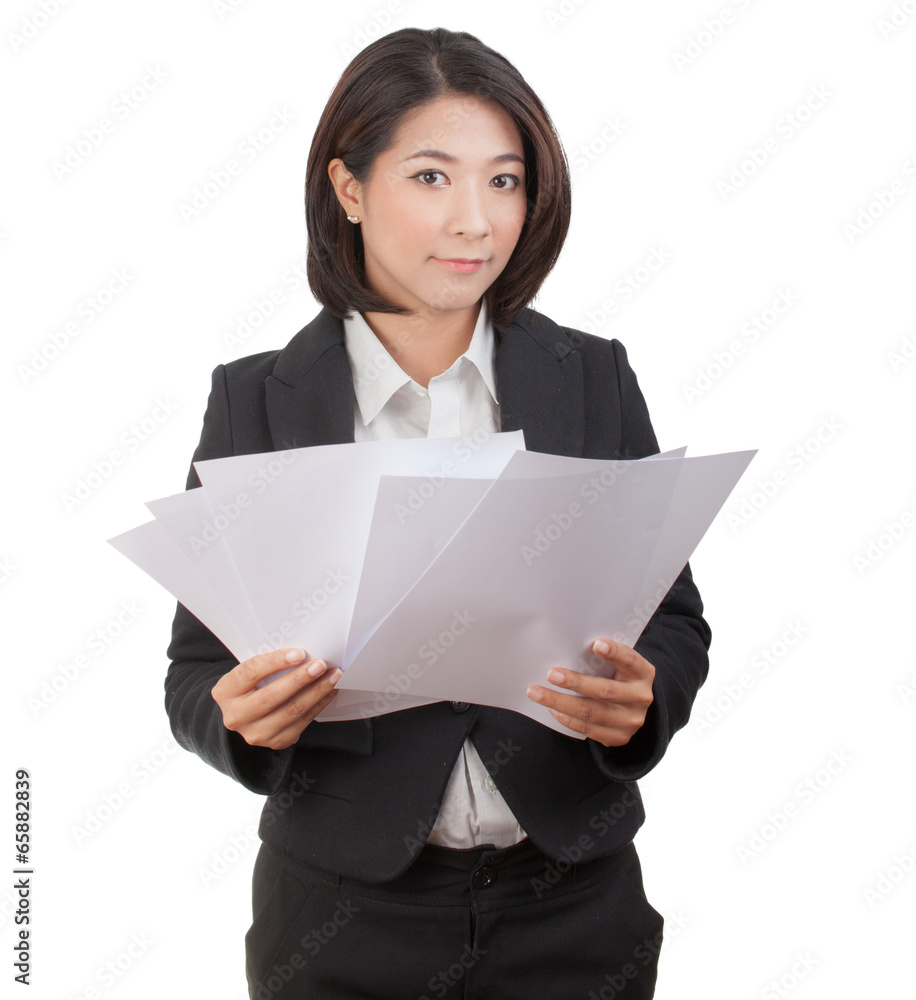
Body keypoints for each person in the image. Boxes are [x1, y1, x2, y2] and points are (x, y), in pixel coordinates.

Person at [165, 26, 711, 1000]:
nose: (475, 221)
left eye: (503, 181)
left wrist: (640, 705)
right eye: (430, 177)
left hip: (573, 912)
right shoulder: (257, 401)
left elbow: (671, 618)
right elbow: (197, 671)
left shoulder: (588, 374)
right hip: (341, 922)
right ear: (347, 189)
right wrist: (239, 720)